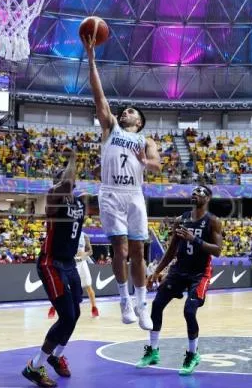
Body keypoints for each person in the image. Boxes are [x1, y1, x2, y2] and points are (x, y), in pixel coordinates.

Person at [82, 31, 161, 330]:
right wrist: (91, 58)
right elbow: (98, 94)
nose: (125, 111)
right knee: (121, 249)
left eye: (131, 111)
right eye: (124, 109)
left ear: (138, 122)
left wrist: (145, 161)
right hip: (112, 192)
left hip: (135, 193)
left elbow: (156, 164)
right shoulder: (111, 128)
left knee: (139, 251)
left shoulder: (145, 138)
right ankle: (124, 301)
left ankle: (142, 305)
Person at [137, 185, 222, 375]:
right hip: (179, 270)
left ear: (207, 198)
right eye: (193, 191)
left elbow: (217, 251)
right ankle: (153, 350)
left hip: (200, 273)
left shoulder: (213, 221)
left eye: (200, 192)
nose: (195, 194)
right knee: (157, 304)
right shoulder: (180, 220)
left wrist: (195, 240)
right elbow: (172, 249)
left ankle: (192, 355)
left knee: (189, 311)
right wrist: (157, 271)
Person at [22, 150, 87, 387]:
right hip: (51, 263)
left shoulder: (79, 201)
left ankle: (56, 357)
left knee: (75, 314)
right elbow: (67, 181)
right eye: (63, 178)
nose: (68, 180)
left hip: (69, 263)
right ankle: (35, 366)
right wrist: (73, 158)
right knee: (67, 316)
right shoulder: (53, 195)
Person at [48, 230, 98, 319]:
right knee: (64, 288)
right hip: (70, 264)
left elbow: (90, 252)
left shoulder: (85, 236)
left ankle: (94, 308)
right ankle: (54, 307)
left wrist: (85, 253)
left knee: (88, 287)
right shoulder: (68, 234)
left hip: (82, 263)